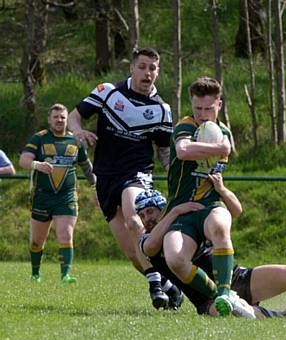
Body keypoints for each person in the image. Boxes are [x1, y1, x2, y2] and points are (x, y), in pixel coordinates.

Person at [136, 179, 286, 320]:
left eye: (151, 211)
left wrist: (221, 189)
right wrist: (174, 211)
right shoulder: (149, 240)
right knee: (242, 314)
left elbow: (235, 211)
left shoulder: (189, 223)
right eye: (142, 215)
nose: (147, 218)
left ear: (161, 208)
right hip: (209, 301)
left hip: (238, 278)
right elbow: (150, 246)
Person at [67, 47, 174, 308]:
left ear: (157, 73)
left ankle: (155, 287)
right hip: (104, 177)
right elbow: (74, 116)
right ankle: (170, 284)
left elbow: (163, 151)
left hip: (137, 174)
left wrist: (176, 172)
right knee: (132, 253)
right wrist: (79, 131)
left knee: (133, 217)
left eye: (153, 68)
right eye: (142, 67)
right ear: (131, 68)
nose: (147, 72)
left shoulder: (161, 109)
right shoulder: (107, 92)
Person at [162, 76, 238, 317]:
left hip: (209, 205)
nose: (203, 115)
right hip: (182, 209)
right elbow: (183, 151)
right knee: (174, 259)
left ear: (219, 105)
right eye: (197, 108)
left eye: (208, 108)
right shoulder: (185, 126)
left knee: (219, 225)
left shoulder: (222, 132)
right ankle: (220, 295)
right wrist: (220, 149)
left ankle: (226, 293)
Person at [18, 104, 96, 283]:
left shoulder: (75, 141)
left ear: (67, 120)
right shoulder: (39, 139)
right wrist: (38, 165)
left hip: (66, 196)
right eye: (56, 117)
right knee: (37, 241)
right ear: (49, 120)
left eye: (63, 117)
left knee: (66, 234)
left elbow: (86, 166)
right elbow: (24, 160)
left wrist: (95, 188)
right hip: (42, 196)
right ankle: (35, 273)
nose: (59, 120)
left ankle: (65, 275)